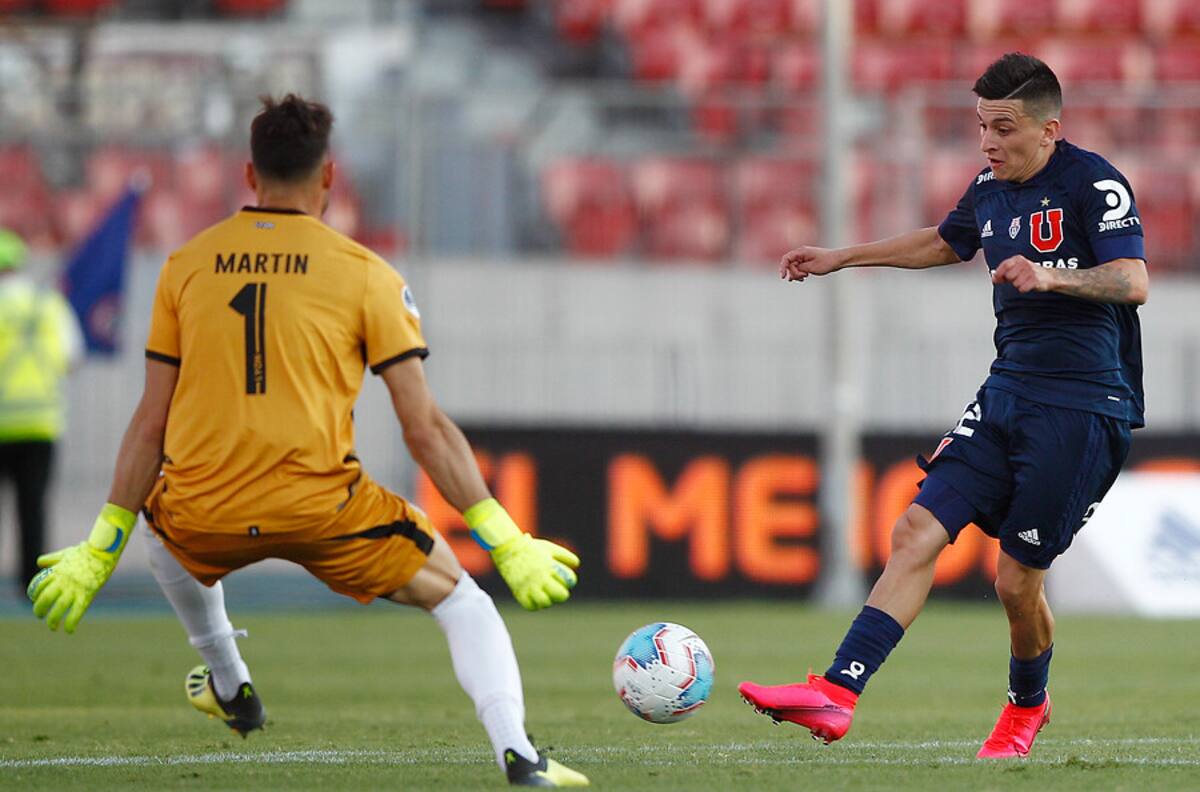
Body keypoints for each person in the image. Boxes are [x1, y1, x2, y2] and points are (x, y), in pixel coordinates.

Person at [27, 94, 588, 788]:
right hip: (327, 512)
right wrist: (505, 538)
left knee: (157, 524)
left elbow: (151, 422)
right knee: (462, 600)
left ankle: (231, 684)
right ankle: (518, 754)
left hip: (207, 511)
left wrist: (99, 546)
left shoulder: (185, 266)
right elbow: (424, 428)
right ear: (328, 177)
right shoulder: (366, 274)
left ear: (248, 175)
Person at [738, 53, 1148, 759]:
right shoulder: (989, 188)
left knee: (1016, 584)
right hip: (1007, 391)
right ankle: (836, 693)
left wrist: (1052, 276)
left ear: (1049, 128)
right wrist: (843, 256)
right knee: (916, 528)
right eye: (981, 125)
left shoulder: (1093, 182)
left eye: (1004, 128)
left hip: (1084, 407)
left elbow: (1133, 280)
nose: (988, 141)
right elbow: (943, 240)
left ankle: (1027, 706)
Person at [0, 228, 83, 594]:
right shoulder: (48, 304)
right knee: (32, 508)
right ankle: (30, 584)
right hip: (40, 423)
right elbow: (71, 357)